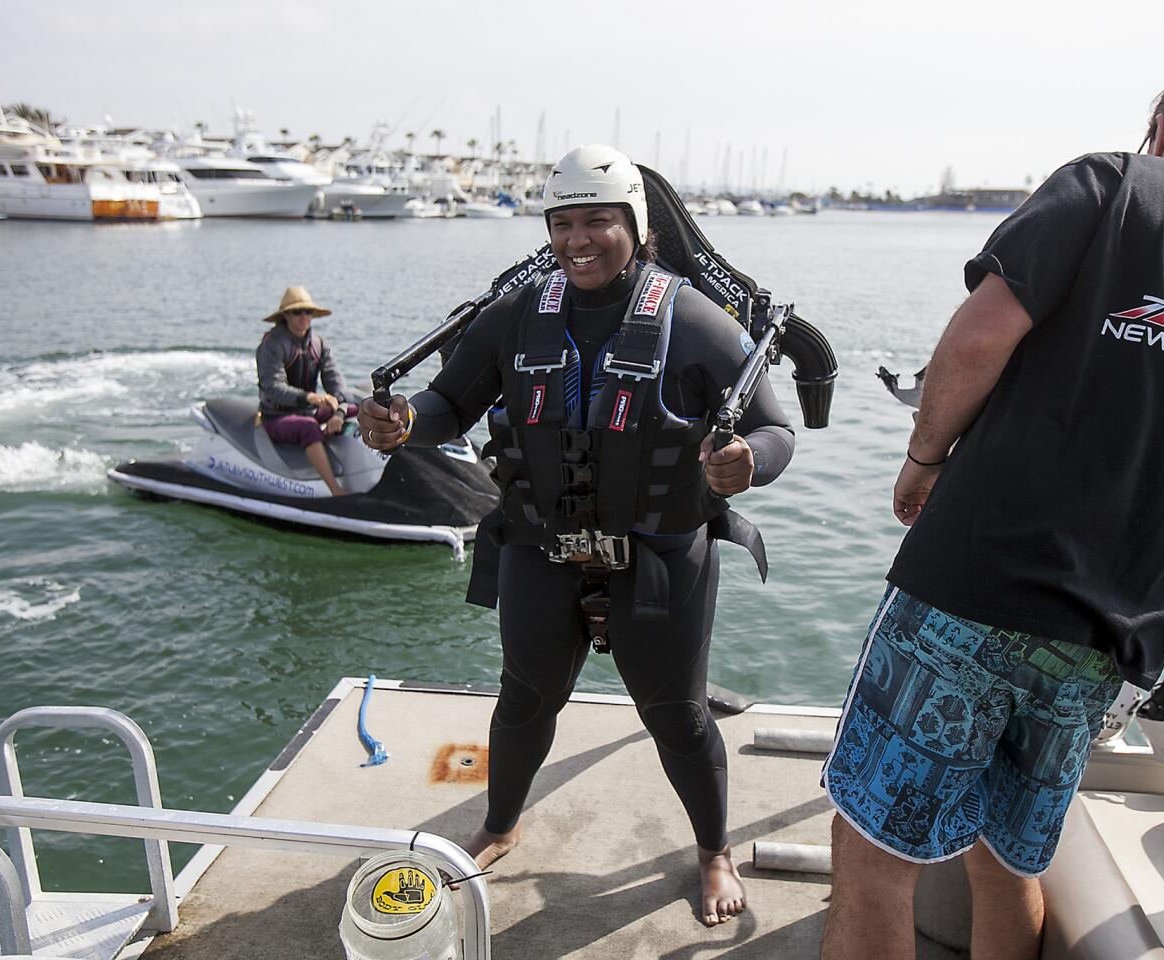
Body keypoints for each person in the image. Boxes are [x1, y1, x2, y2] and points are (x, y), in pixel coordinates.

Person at [821, 51, 1164, 960]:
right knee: (1009, 858)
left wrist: (922, 455)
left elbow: (982, 333)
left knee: (874, 855)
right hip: (1113, 641)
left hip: (975, 587)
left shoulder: (1111, 185)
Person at [360, 144, 796, 926]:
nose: (578, 240)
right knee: (525, 697)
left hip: (662, 555)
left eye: (599, 221)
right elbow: (446, 406)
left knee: (676, 713)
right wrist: (400, 427)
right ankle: (499, 823)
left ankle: (712, 850)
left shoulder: (693, 321)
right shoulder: (515, 316)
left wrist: (745, 465)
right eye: (562, 223)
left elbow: (774, 429)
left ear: (637, 224)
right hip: (539, 547)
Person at [256, 286, 358, 496]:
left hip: (308, 410)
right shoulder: (271, 345)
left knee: (356, 407)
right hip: (276, 417)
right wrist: (311, 398)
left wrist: (338, 413)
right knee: (309, 427)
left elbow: (337, 386)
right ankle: (336, 490)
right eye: (297, 312)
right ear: (285, 315)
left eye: (308, 312)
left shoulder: (319, 344)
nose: (304, 317)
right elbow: (274, 388)